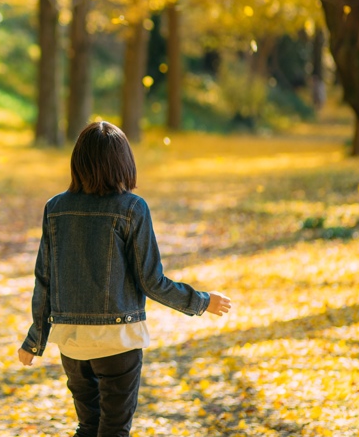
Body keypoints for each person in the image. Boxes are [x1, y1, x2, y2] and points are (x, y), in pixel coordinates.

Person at [17, 120, 232, 437]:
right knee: (114, 430)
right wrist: (202, 302)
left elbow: (44, 279)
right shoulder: (132, 208)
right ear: (123, 162)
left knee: (88, 427)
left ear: (78, 162)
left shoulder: (56, 208)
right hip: (118, 342)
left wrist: (35, 341)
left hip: (71, 342)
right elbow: (151, 281)